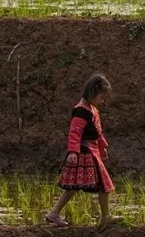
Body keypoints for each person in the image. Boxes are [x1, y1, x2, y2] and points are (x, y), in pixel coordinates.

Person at [45, 74, 114, 227]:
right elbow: (75, 133)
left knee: (74, 186)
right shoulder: (81, 111)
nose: (102, 101)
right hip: (85, 151)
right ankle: (106, 217)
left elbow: (98, 132)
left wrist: (102, 146)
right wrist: (73, 152)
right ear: (93, 92)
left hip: (92, 149)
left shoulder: (92, 110)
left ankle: (54, 213)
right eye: (101, 97)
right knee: (104, 184)